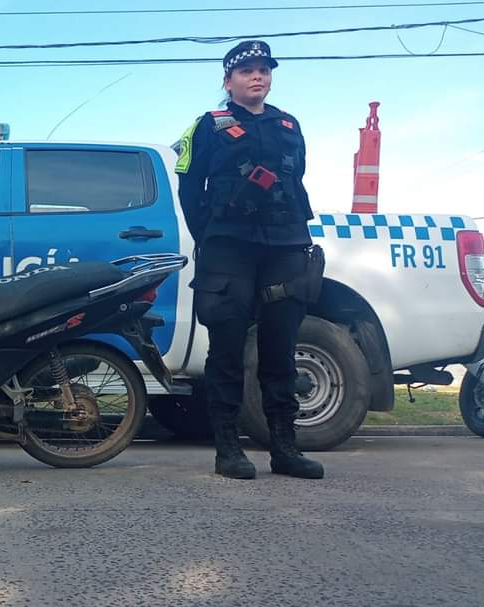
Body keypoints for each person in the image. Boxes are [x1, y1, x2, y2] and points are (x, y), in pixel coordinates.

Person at [174, 40, 325, 480]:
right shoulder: (208, 125)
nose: (257, 76)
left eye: (263, 69)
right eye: (246, 71)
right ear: (228, 82)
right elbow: (188, 185)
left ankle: (284, 449)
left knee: (280, 349)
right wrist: (210, 234)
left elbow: (297, 179)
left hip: (284, 244)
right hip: (230, 246)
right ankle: (228, 451)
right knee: (226, 348)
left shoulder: (289, 124)